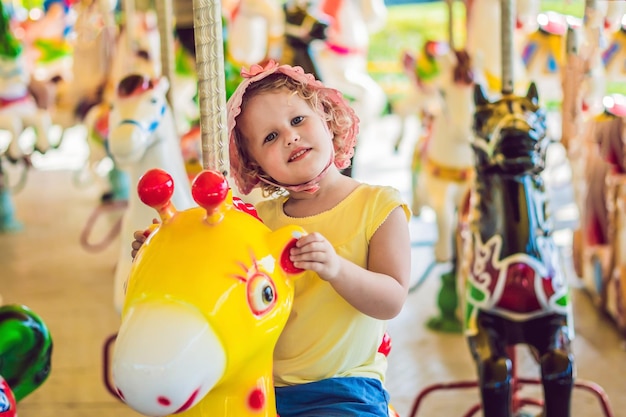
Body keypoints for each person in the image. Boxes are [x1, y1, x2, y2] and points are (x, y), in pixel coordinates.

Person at [131, 60, 411, 416]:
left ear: (325, 117)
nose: (290, 137)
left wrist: (336, 268)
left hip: (343, 388)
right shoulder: (258, 220)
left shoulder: (378, 205)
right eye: (270, 137)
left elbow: (391, 299)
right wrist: (161, 250)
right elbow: (212, 274)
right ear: (256, 166)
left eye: (297, 120)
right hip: (260, 385)